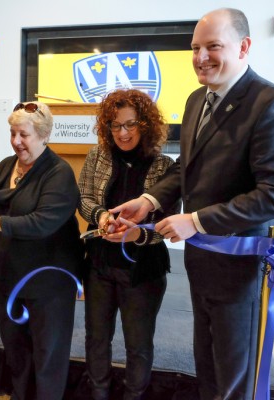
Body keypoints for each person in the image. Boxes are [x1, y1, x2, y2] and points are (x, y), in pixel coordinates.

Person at [110, 8, 274, 400]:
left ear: (244, 47)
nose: (201, 57)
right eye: (195, 47)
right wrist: (149, 201)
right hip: (202, 266)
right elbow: (188, 167)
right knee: (208, 369)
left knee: (236, 375)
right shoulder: (198, 99)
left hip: (241, 270)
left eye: (213, 46)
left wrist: (196, 221)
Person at [0, 101, 84, 400]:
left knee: (47, 353)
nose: (16, 142)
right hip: (10, 277)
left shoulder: (59, 173)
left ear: (44, 135)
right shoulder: (6, 165)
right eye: (13, 133)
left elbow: (41, 223)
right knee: (16, 349)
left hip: (48, 282)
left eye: (23, 135)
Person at [78, 89, 179, 400]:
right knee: (96, 339)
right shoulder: (98, 156)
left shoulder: (165, 166)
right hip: (99, 265)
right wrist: (102, 216)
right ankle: (99, 394)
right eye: (115, 125)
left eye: (130, 124)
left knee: (138, 344)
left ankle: (134, 396)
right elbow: (84, 199)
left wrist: (139, 235)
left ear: (146, 124)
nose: (122, 133)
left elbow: (170, 226)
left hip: (143, 269)